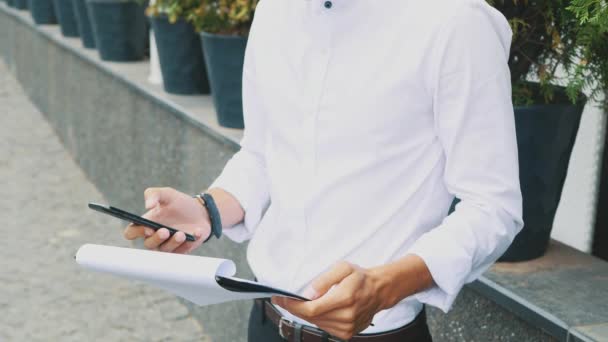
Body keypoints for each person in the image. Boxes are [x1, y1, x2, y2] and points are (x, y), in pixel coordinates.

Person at [124, 0, 523, 340]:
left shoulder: (456, 22)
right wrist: (206, 211)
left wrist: (384, 288)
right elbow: (263, 153)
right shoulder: (275, 10)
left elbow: (493, 208)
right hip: (264, 324)